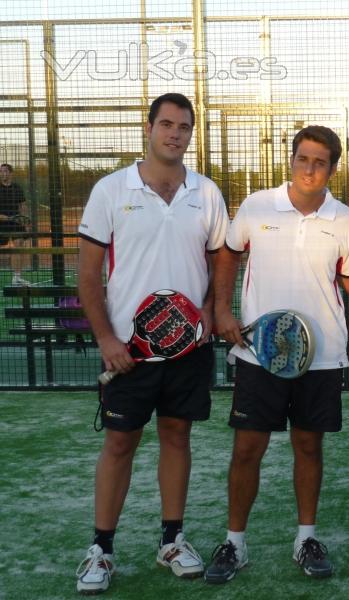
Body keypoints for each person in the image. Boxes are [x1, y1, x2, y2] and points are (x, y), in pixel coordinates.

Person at [205, 125, 349, 583]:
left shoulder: (341, 218)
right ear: (292, 160)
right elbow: (227, 253)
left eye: (320, 162)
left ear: (332, 168)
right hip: (259, 354)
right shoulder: (258, 205)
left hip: (321, 356)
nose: (310, 168)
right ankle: (235, 543)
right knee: (247, 449)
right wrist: (222, 309)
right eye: (303, 158)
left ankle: (306, 539)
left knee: (308, 445)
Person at [75, 93, 229, 594]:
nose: (175, 134)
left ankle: (172, 539)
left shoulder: (205, 193)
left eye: (184, 127)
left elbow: (220, 259)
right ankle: (101, 549)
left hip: (189, 350)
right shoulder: (109, 190)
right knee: (119, 442)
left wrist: (209, 309)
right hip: (128, 351)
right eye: (166, 124)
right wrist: (106, 338)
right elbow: (88, 276)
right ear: (149, 128)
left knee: (177, 436)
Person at [0, 163, 30, 285]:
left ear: (11, 173)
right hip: (2, 223)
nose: (3, 173)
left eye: (6, 171)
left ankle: (16, 278)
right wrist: (5, 218)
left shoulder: (17, 188)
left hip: (16, 222)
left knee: (18, 245)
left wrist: (25, 220)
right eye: (1, 171)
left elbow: (23, 205)